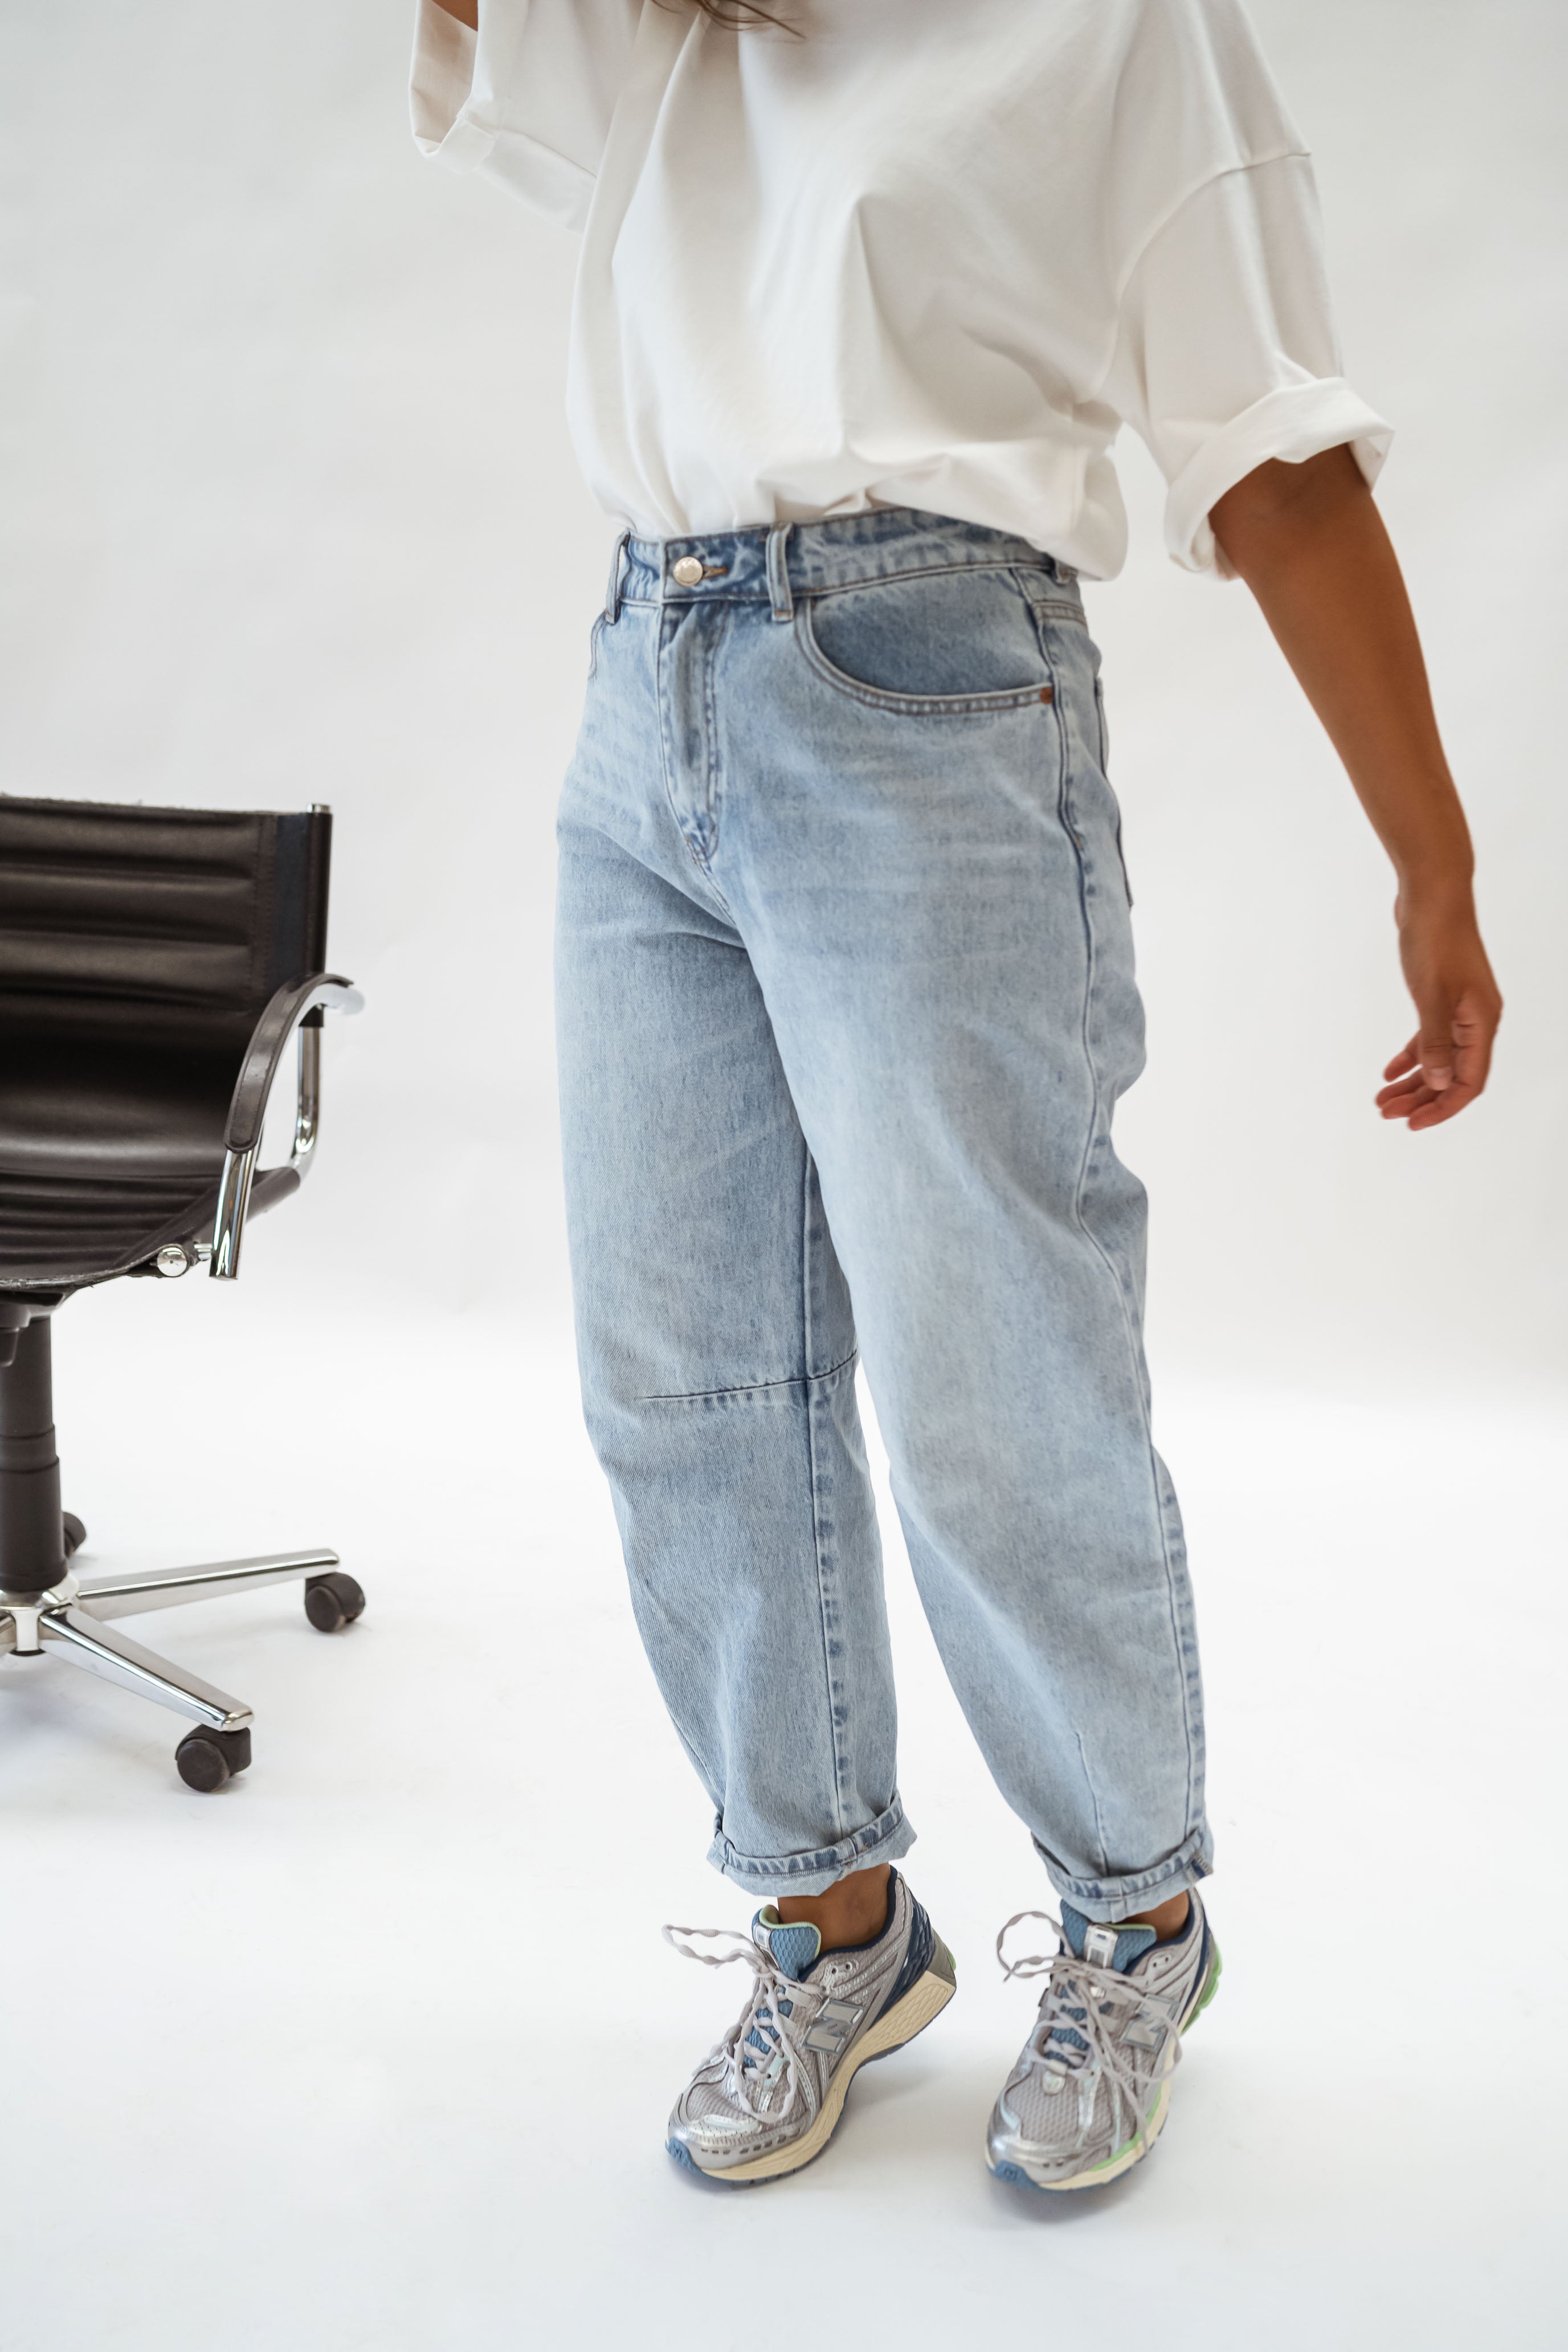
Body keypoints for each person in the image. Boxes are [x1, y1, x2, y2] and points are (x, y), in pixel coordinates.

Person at [411, 0, 1500, 2192]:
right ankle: (830, 1922)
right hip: (647, 684)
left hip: (923, 687)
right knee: (684, 1376)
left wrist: (1436, 862)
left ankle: (1135, 1919)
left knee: (995, 1373)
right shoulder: (675, 31)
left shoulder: (1124, 29)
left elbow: (1274, 459)